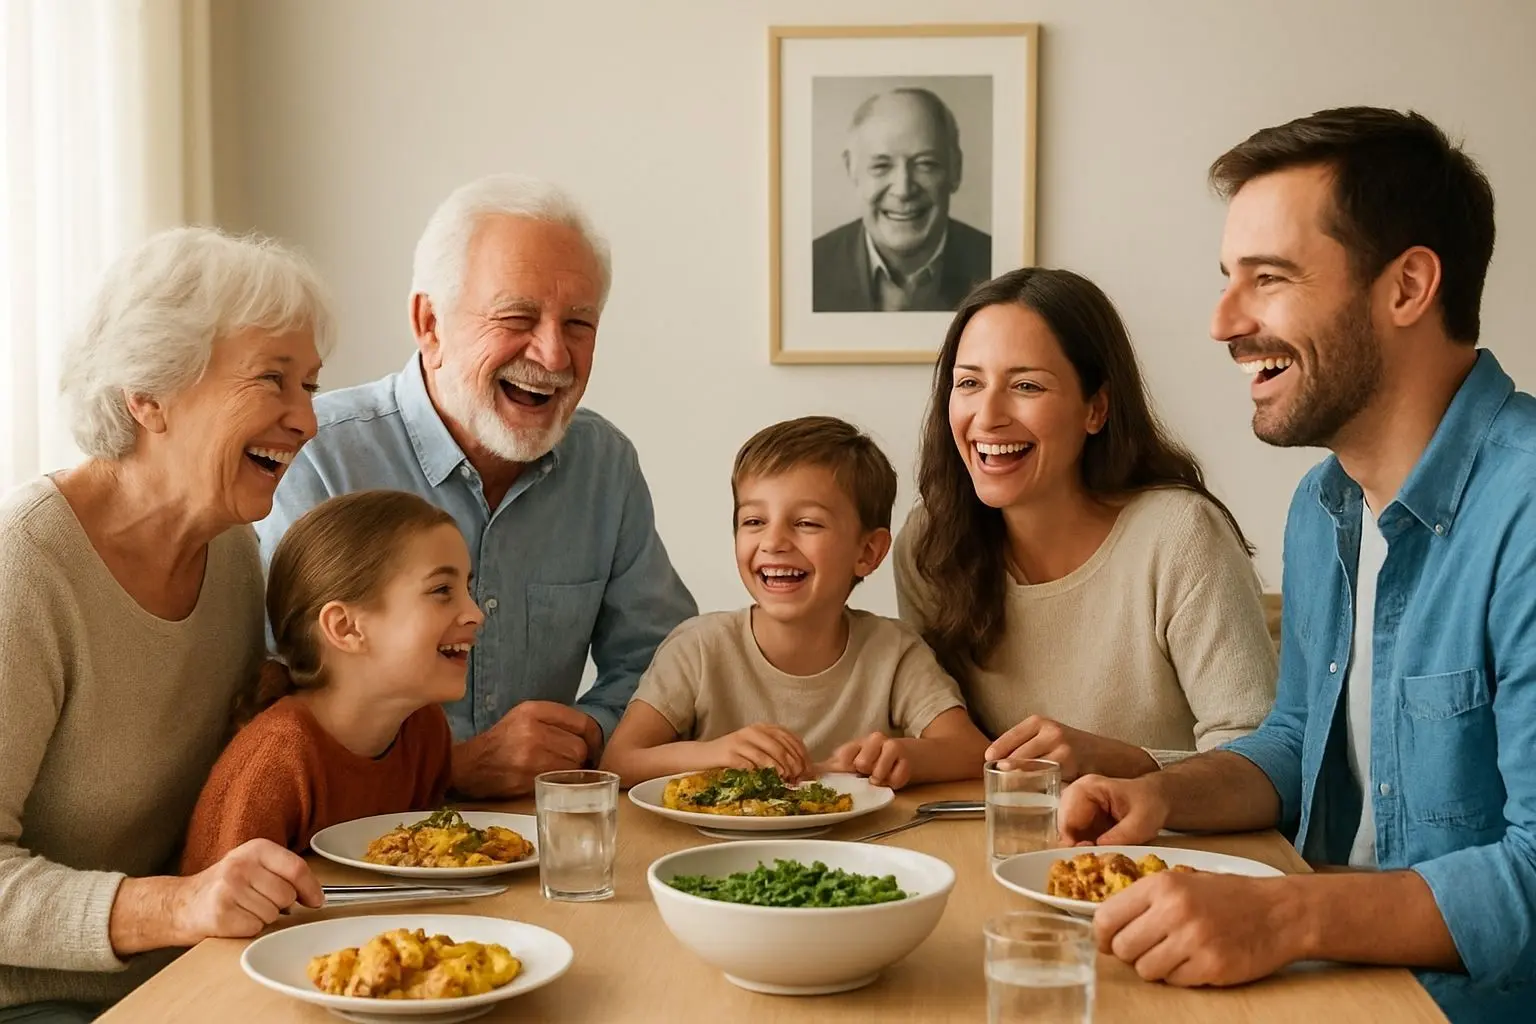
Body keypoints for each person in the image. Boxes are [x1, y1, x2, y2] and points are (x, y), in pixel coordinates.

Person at [1060, 107, 1533, 1023]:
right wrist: (1158, 797)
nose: (1223, 322)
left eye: (1267, 279)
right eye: (1228, 281)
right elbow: (1295, 746)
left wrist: (1283, 913)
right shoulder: (1324, 509)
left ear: (1408, 287)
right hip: (1320, 985)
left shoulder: (1527, 510)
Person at [255, 173, 697, 799]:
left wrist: (587, 737)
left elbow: (664, 660)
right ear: (429, 323)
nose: (552, 356)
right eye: (517, 316)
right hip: (360, 851)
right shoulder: (316, 456)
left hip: (544, 837)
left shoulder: (605, 464)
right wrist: (448, 768)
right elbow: (274, 696)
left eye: (579, 324)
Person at [0, 227, 331, 1022]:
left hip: (193, 975)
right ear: (148, 396)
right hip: (42, 1002)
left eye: (312, 386)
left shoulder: (233, 552)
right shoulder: (27, 570)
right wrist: (175, 908)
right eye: (272, 381)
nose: (307, 422)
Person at [893, 267, 1276, 781]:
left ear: (1095, 408)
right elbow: (940, 733)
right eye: (969, 383)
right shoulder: (930, 544)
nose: (987, 416)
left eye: (1025, 385)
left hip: (1174, 849)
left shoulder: (1180, 535)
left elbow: (1262, 759)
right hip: (1001, 843)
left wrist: (1121, 764)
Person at [600, 416, 989, 790]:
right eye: (754, 521)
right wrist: (715, 754)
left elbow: (972, 753)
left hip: (862, 851)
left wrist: (905, 756)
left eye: (807, 523)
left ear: (868, 551)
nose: (773, 542)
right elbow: (620, 762)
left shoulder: (894, 652)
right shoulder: (697, 648)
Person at [180, 490, 482, 872]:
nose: (474, 613)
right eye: (442, 591)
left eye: (467, 590)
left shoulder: (425, 732)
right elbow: (218, 919)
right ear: (345, 627)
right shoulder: (273, 761)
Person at [813, 87, 992, 313]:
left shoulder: (997, 268)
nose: (903, 190)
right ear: (851, 169)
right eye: (881, 166)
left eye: (925, 164)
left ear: (955, 169)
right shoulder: (810, 271)